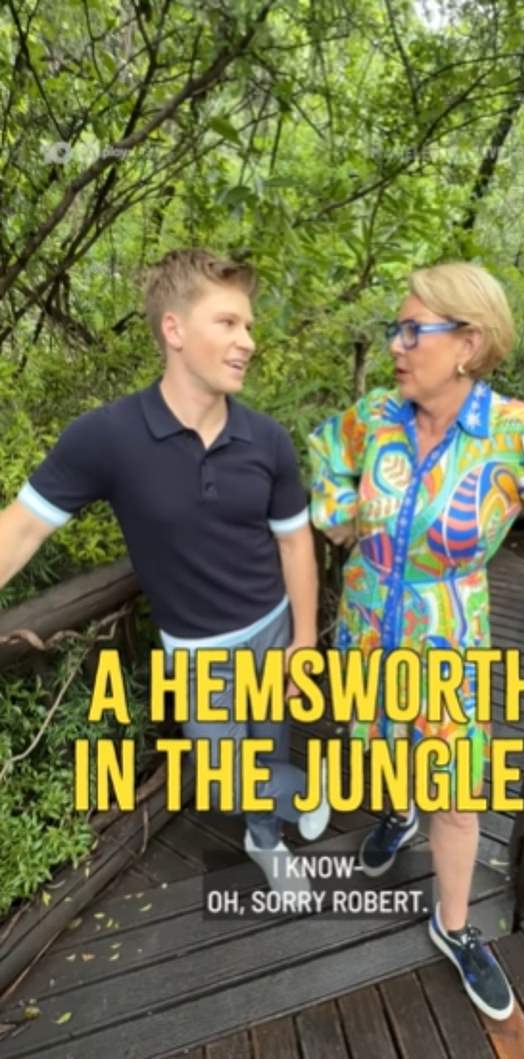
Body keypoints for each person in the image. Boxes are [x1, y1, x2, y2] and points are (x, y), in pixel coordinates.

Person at [308, 260, 524, 1020]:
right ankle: (395, 813)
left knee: (454, 791)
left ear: (468, 342)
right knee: (380, 740)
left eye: (412, 329)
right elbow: (325, 454)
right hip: (364, 623)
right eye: (396, 327)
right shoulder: (374, 416)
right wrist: (337, 512)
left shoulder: (514, 434)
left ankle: (453, 926)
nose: (397, 343)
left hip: (445, 634)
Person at [0, 248, 328, 895]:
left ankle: (269, 839)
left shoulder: (267, 440)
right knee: (223, 772)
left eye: (249, 326)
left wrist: (306, 640)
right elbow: (22, 526)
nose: (247, 341)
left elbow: (296, 544)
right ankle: (300, 794)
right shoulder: (106, 437)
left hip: (273, 623)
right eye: (228, 323)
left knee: (273, 736)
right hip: (198, 649)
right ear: (174, 330)